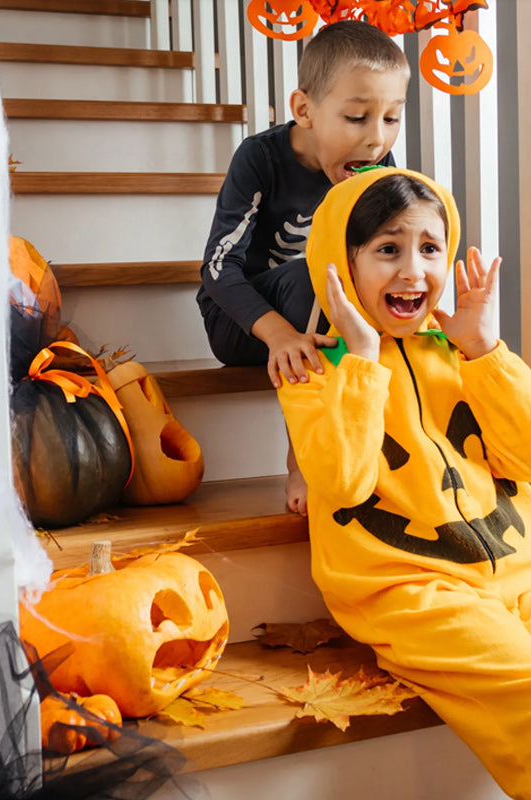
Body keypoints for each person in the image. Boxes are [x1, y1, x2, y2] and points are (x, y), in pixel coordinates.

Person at [278, 165, 531, 799]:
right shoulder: (313, 374)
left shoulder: (460, 351)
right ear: (342, 262)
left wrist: (484, 351)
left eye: (429, 248)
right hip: (411, 589)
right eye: (387, 249)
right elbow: (343, 483)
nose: (413, 271)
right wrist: (360, 359)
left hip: (516, 567)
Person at [196, 20, 410, 516]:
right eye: (357, 117)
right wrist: (277, 335)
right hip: (241, 322)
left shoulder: (378, 166)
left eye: (392, 118)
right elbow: (217, 267)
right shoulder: (260, 158)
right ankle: (304, 453)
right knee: (313, 277)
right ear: (304, 110)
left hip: (317, 315)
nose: (377, 140)